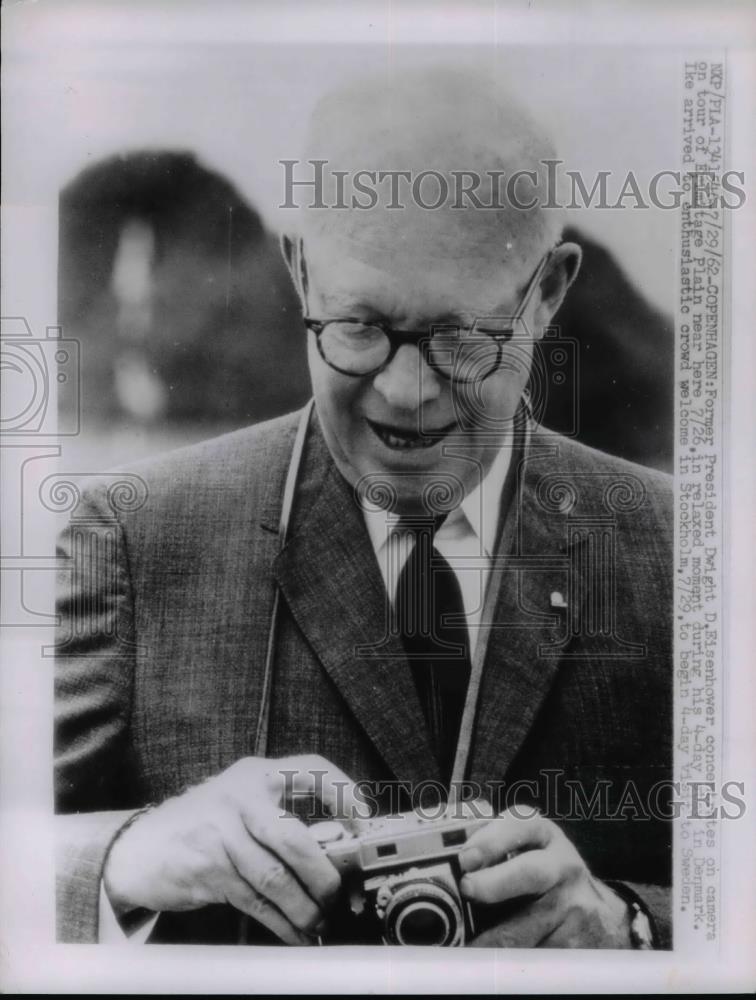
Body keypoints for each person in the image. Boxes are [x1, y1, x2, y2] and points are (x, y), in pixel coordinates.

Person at [55, 67, 672, 948]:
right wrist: (129, 855)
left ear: (548, 294)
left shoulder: (685, 553)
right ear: (300, 272)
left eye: (463, 338)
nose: (407, 391)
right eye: (360, 327)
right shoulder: (132, 538)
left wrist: (629, 925)